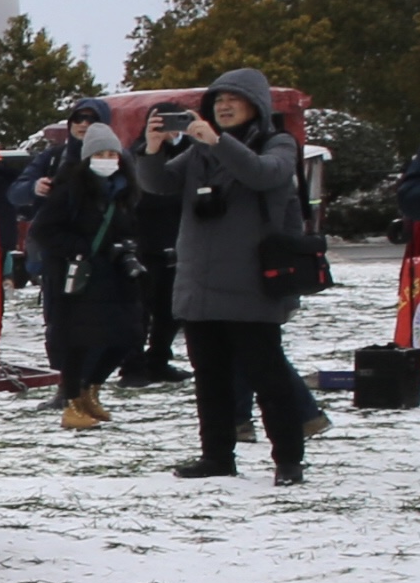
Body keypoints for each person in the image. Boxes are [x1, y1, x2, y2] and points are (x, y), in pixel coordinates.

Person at [132, 69, 319, 482]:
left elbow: (265, 174)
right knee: (210, 378)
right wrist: (153, 148)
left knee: (267, 376)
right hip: (200, 282)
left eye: (233, 99)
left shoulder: (277, 141)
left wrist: (217, 141)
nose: (224, 107)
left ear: (256, 105)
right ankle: (217, 455)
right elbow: (159, 184)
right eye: (218, 101)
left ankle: (288, 459)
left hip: (253, 281)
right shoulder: (199, 151)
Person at [30, 122, 143, 429]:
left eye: (112, 153)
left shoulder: (124, 191)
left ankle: (91, 389)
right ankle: (72, 401)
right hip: (80, 277)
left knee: (125, 337)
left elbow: (132, 226)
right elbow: (43, 230)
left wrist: (128, 247)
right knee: (78, 341)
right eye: (100, 153)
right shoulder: (70, 189)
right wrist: (80, 249)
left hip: (116, 277)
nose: (107, 159)